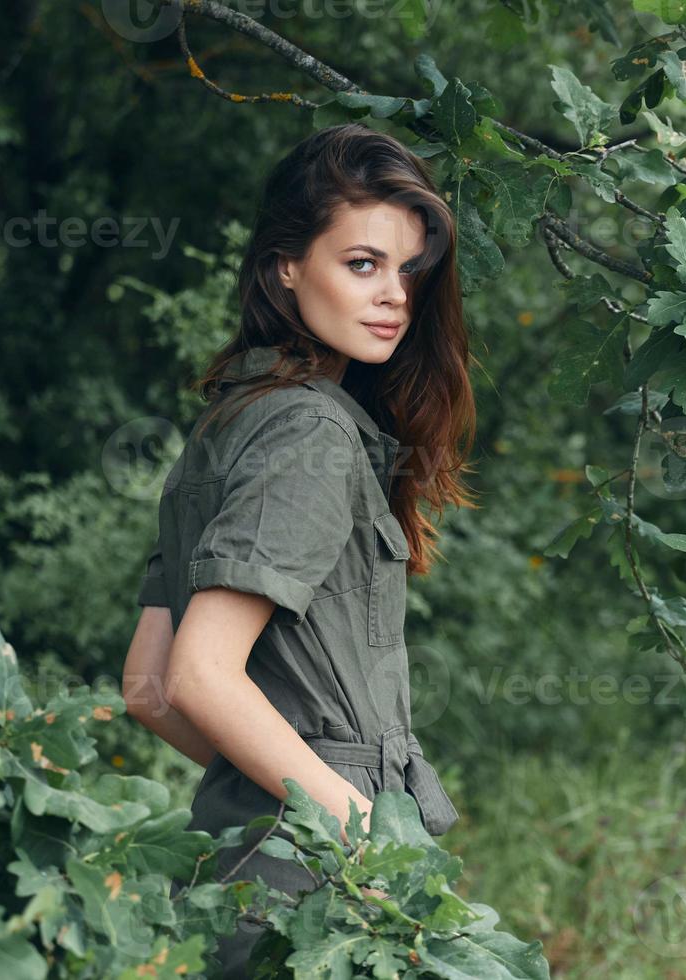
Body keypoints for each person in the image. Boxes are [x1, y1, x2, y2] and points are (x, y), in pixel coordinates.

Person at [120, 122, 478, 977]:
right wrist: (358, 829)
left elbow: (146, 684)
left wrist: (271, 790)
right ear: (287, 266)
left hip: (249, 867)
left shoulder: (231, 420)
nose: (394, 294)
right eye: (362, 264)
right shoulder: (310, 431)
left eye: (408, 270)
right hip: (323, 888)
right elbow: (196, 677)